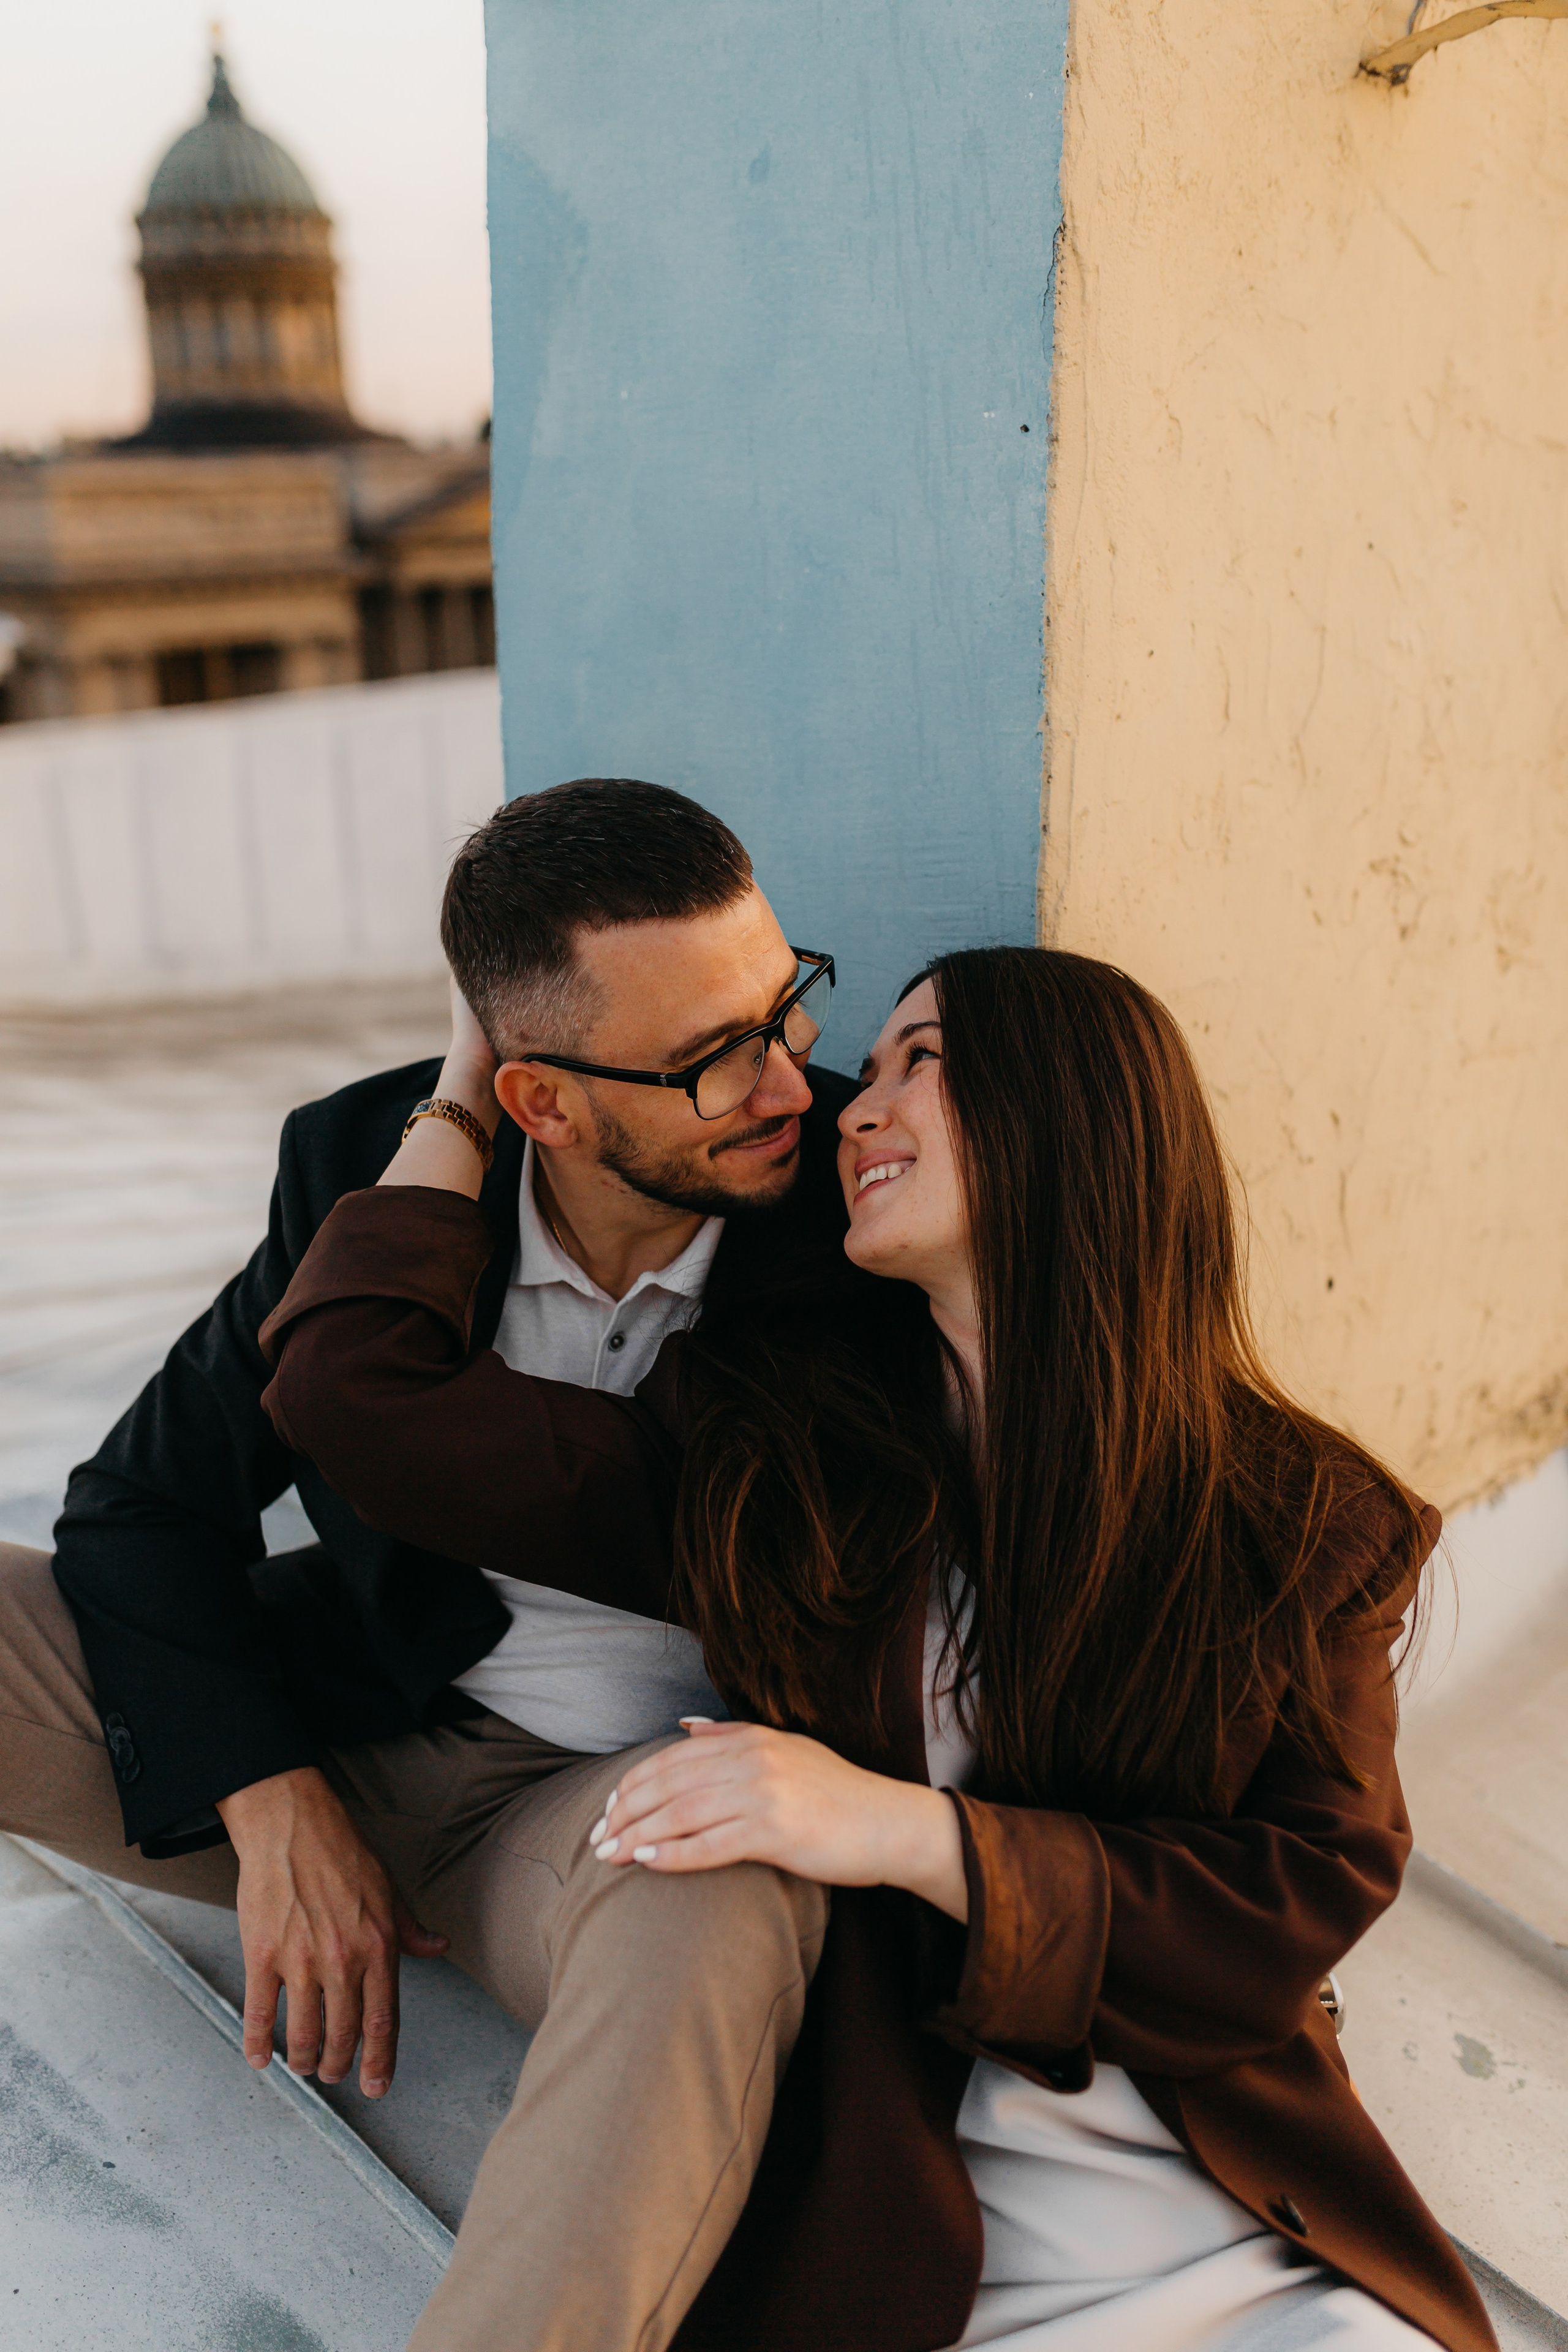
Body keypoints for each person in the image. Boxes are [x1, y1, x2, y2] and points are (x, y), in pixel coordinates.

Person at [257, 946, 1497, 2352]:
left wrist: (904, 1833)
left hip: (1242, 2257)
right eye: (877, 1059)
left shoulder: (1301, 1517)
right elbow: (357, 1397)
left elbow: (1288, 1900)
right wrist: (474, 1085)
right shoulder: (774, 1457)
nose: (853, 1106)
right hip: (913, 2271)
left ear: (1070, 1118)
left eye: (926, 1063)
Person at [0, 774, 854, 2177]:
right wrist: (270, 1795)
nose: (788, 1080)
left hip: (613, 1817)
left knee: (711, 1920)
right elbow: (143, 1505)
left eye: (786, 1003)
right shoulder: (370, 1163)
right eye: (715, 1053)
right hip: (360, 1716)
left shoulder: (835, 1202)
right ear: (536, 1100)